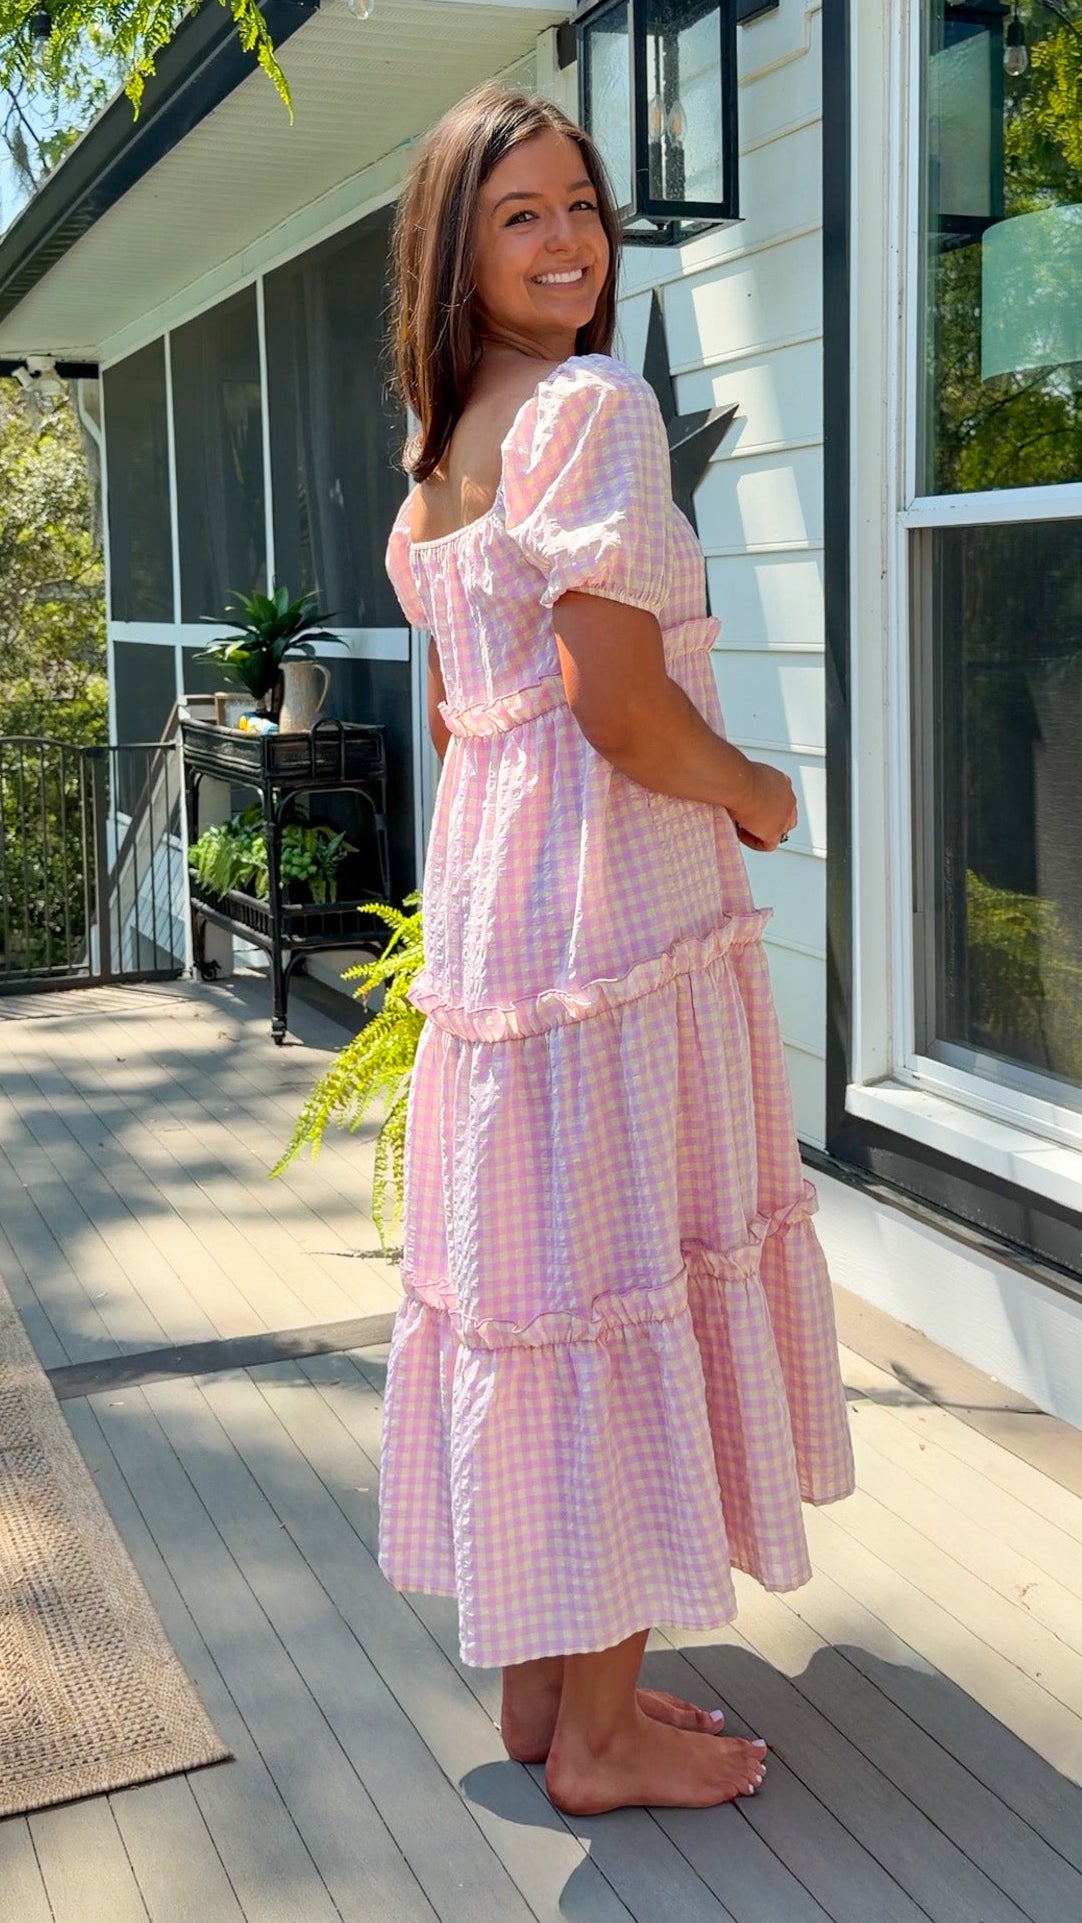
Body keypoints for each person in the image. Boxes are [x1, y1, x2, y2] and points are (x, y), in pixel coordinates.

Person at [379, 82, 855, 1817]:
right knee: (623, 1259)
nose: (569, 238)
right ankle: (599, 1737)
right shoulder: (588, 404)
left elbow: (462, 713)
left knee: (548, 1269)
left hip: (505, 910)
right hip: (610, 902)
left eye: (580, 203)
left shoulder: (445, 439)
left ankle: (543, 1692)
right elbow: (619, 707)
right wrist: (758, 796)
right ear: (454, 247)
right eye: (519, 214)